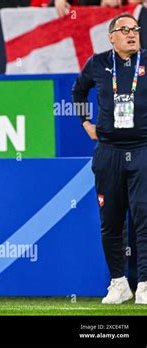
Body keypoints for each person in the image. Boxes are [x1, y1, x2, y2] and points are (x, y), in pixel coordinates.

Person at [72, 13, 147, 305]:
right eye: (124, 29)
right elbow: (78, 91)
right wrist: (85, 122)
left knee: (143, 216)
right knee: (111, 219)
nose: (131, 33)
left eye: (135, 29)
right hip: (108, 151)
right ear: (111, 36)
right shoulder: (99, 63)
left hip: (142, 148)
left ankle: (143, 284)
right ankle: (118, 283)